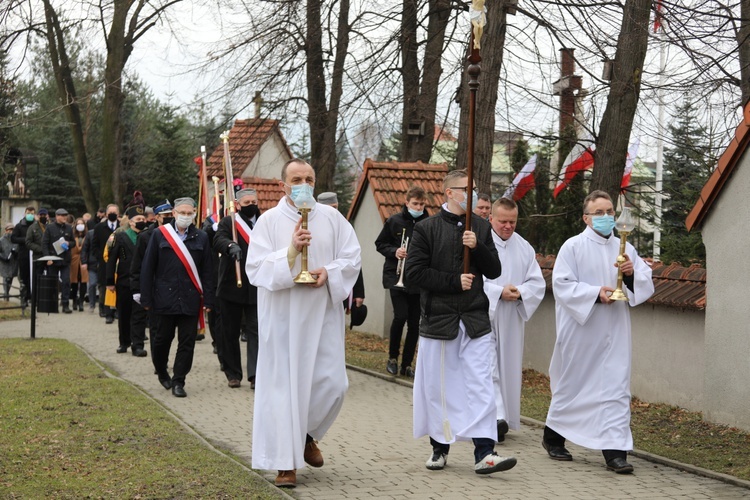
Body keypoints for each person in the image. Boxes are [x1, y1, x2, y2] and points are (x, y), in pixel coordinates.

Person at [246, 159, 361, 488]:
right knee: (285, 390)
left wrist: (329, 273)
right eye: (296, 179)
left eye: (309, 178)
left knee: (334, 384)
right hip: (283, 317)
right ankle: (286, 464)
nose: (304, 184)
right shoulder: (268, 222)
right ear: (283, 184)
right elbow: (256, 269)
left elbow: (352, 257)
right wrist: (292, 250)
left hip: (321, 314)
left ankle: (307, 434)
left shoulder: (332, 218)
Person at [405, 169, 517, 476]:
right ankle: (440, 447)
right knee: (441, 387)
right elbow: (413, 275)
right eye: (465, 189)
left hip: (475, 319)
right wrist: (454, 281)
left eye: (475, 188)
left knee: (481, 383)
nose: (472, 193)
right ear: (449, 193)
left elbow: (494, 270)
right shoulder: (426, 229)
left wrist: (477, 247)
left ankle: (485, 452)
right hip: (440, 321)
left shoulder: (480, 226)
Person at [543, 190, 654, 474]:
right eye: (599, 213)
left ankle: (615, 451)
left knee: (616, 386)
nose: (606, 217)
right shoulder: (573, 246)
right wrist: (595, 294)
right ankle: (553, 437)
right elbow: (562, 284)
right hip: (583, 329)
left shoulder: (625, 247)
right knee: (575, 384)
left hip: (614, 329)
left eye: (609, 212)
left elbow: (644, 283)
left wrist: (629, 274)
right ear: (586, 217)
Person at [483, 197, 545, 442]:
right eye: (502, 221)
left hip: (511, 316)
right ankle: (494, 417)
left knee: (506, 367)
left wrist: (520, 293)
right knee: (488, 367)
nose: (508, 226)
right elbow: (471, 279)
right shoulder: (480, 242)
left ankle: (502, 417)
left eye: (512, 222)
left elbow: (536, 283)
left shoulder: (525, 247)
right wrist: (498, 292)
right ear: (491, 219)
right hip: (485, 313)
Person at [140, 197, 214, 398]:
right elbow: (148, 268)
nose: (186, 216)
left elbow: (207, 270)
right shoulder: (159, 235)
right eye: (182, 213)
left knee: (187, 342)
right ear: (173, 213)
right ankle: (162, 371)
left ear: (195, 213)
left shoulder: (201, 237)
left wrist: (209, 299)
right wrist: (145, 299)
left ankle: (179, 380)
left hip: (190, 298)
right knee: (162, 339)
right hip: (163, 298)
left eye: (190, 213)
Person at [374, 185, 429, 377]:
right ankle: (392, 358)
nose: (419, 207)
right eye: (415, 203)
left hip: (418, 279)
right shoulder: (394, 221)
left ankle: (407, 364)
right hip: (396, 276)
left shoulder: (428, 223)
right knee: (400, 316)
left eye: (422, 204)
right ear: (407, 203)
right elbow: (380, 244)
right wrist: (395, 252)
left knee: (415, 322)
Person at [213, 188, 260, 389]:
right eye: (247, 202)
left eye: (253, 201)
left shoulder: (265, 221)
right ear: (238, 204)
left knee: (256, 331)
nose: (251, 205)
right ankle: (233, 373)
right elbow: (218, 240)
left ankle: (255, 374)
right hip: (232, 285)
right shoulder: (229, 222)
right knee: (229, 331)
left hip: (257, 286)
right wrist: (230, 245)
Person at [130, 200, 173, 356]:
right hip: (153, 287)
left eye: (170, 214)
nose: (168, 218)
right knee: (155, 326)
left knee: (167, 329)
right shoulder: (146, 236)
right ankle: (158, 360)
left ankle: (163, 356)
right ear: (156, 217)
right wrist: (136, 289)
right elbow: (137, 265)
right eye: (164, 215)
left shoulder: (178, 234)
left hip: (172, 288)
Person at [317, 192, 366, 326]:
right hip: (317, 287)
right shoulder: (312, 226)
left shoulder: (345, 227)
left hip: (339, 285)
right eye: (330, 208)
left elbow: (354, 260)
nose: (334, 212)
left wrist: (358, 292)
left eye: (335, 207)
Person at [106, 206, 149, 357]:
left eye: (143, 219)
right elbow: (112, 260)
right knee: (124, 313)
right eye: (138, 220)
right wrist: (110, 281)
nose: (142, 222)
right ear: (131, 222)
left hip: (141, 282)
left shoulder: (148, 236)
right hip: (124, 281)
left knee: (139, 314)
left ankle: (137, 345)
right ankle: (124, 342)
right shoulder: (121, 236)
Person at [42, 208, 75, 313]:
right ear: (57, 216)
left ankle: (65, 304)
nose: (64, 217)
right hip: (53, 259)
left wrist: (68, 243)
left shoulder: (69, 228)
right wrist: (48, 258)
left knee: (66, 282)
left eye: (66, 215)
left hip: (65, 259)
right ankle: (53, 304)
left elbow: (73, 242)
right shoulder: (50, 228)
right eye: (62, 215)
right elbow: (45, 244)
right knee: (53, 282)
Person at [92, 204, 120, 322]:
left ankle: (117, 310)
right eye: (110, 212)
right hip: (105, 263)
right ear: (107, 214)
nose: (112, 214)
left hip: (120, 263)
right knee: (105, 286)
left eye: (114, 212)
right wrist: (102, 257)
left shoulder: (122, 227)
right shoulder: (99, 227)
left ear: (118, 214)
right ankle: (107, 311)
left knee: (119, 286)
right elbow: (95, 245)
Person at [11, 206, 35, 306]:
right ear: (25, 214)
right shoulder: (19, 226)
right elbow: (13, 238)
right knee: (24, 276)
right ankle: (24, 297)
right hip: (24, 254)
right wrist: (26, 240)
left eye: (32, 213)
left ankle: (32, 297)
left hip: (34, 254)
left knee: (33, 276)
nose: (30, 215)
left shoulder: (36, 225)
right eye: (28, 213)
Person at [70, 217, 89, 311]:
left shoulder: (88, 235)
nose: (80, 226)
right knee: (74, 282)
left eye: (82, 224)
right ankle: (74, 300)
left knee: (83, 282)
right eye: (78, 224)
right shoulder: (72, 235)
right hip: (74, 260)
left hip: (84, 260)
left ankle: (81, 301)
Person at [80, 226, 98, 312]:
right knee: (92, 284)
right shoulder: (90, 234)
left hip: (103, 264)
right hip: (92, 264)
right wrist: (84, 262)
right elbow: (84, 249)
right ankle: (92, 304)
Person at [0, 223, 17, 301]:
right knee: (6, 279)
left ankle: (7, 293)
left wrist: (15, 253)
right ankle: (6, 295)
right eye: (9, 230)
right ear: (6, 230)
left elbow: (18, 249)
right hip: (4, 263)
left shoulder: (15, 240)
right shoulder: (1, 240)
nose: (11, 232)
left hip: (13, 263)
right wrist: (3, 258)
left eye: (12, 230)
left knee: (10, 279)